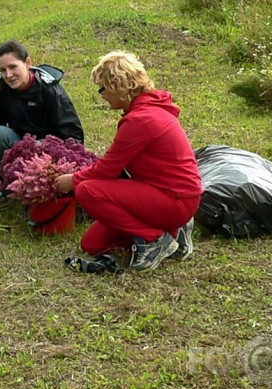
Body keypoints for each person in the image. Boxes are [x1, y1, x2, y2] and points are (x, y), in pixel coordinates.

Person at [56, 51, 203, 272]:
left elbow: (108, 169)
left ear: (119, 87)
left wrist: (72, 180)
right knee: (92, 244)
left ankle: (154, 240)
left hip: (175, 198)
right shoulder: (150, 109)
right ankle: (174, 231)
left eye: (103, 88)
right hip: (164, 193)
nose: (102, 95)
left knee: (87, 189)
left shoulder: (142, 119)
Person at [0, 39, 84, 198]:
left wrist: (65, 170)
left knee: (41, 148)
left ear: (27, 63)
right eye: (3, 70)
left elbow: (73, 135)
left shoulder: (50, 90)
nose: (8, 75)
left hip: (50, 151)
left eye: (13, 67)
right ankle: (9, 183)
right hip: (18, 145)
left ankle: (43, 188)